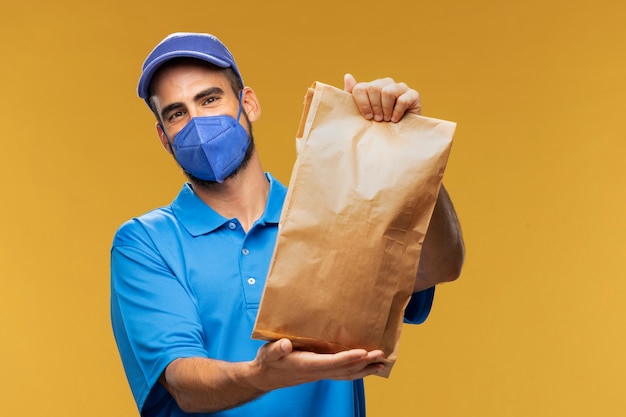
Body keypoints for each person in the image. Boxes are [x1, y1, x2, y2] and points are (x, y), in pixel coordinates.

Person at [110, 32, 465, 417]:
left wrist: (409, 148)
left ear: (248, 103)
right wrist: (263, 375)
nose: (198, 121)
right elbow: (184, 384)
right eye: (177, 113)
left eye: (210, 99)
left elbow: (439, 266)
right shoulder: (145, 242)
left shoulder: (334, 210)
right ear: (164, 137)